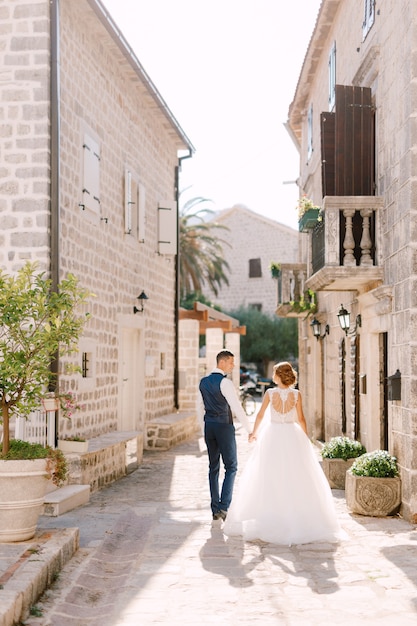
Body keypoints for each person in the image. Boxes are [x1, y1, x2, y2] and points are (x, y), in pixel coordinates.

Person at [223, 361, 344, 545]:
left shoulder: (270, 393)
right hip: (292, 433)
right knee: (296, 474)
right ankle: (295, 513)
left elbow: (261, 415)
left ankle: (271, 513)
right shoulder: (296, 395)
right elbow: (301, 419)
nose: (273, 376)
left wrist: (254, 433)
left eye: (275, 373)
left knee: (269, 474)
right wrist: (305, 438)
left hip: (272, 434)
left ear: (279, 376)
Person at [198, 350, 251, 522]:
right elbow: (236, 407)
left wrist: (202, 429)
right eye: (231, 362)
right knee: (231, 466)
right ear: (222, 362)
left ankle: (215, 509)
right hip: (224, 427)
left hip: (209, 427)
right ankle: (224, 506)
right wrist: (249, 429)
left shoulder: (203, 382)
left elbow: (199, 408)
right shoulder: (225, 383)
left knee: (213, 467)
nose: (233, 365)